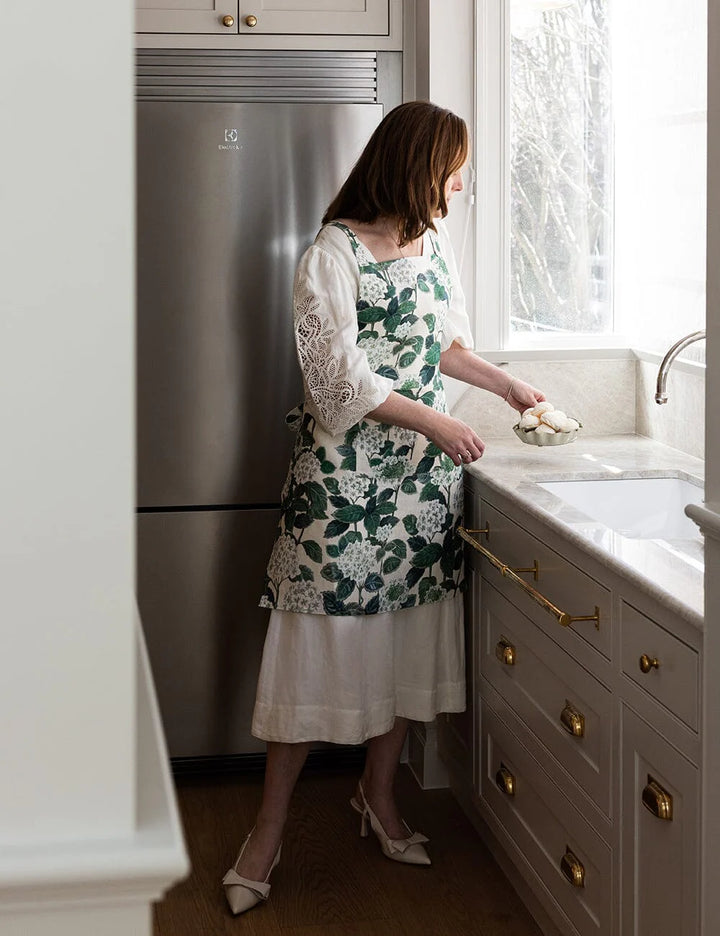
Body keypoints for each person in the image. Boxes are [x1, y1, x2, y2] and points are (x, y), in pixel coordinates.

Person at [221, 100, 545, 916]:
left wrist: (505, 385)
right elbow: (337, 382)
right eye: (452, 168)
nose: (460, 184)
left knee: (403, 649)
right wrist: (437, 420)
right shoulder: (330, 254)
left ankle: (379, 797)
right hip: (340, 486)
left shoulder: (432, 246)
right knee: (314, 652)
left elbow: (444, 344)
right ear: (416, 166)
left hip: (419, 490)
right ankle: (267, 831)